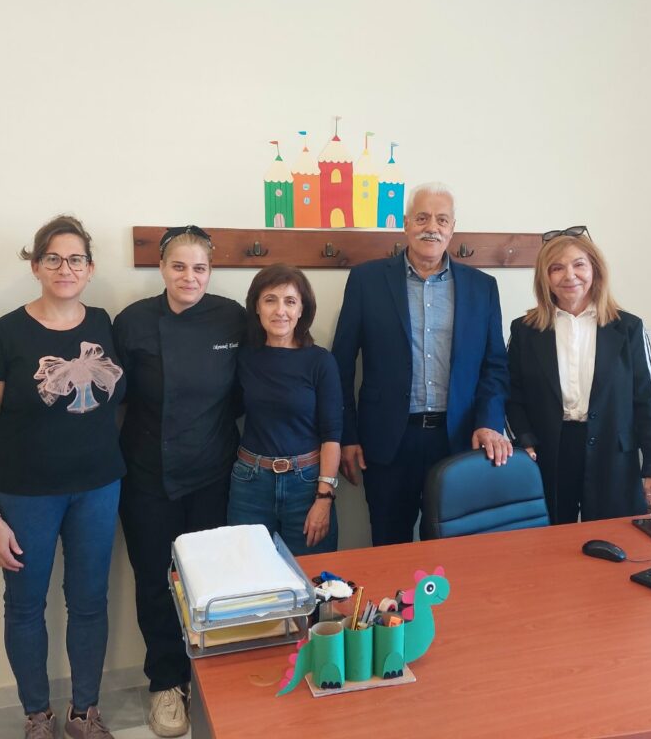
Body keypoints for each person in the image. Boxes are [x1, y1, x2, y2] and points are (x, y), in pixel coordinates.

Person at [0, 215, 125, 739]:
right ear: (35, 266)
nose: (65, 268)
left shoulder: (103, 324)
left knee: (89, 603)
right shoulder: (1, 335)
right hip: (25, 496)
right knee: (25, 605)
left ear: (90, 268)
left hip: (98, 489)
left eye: (76, 259)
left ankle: (84, 713)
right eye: (53, 258)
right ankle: (38, 715)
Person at [112, 225, 244, 738]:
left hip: (213, 472)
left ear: (211, 272)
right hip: (146, 476)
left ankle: (208, 677)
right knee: (153, 581)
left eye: (200, 268)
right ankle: (166, 683)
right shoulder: (133, 322)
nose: (190, 277)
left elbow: (246, 390)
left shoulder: (231, 317)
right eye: (179, 266)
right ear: (162, 268)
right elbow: (115, 400)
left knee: (210, 581)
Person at [331, 182, 512, 546]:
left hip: (457, 439)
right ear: (406, 224)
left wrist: (490, 422)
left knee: (451, 546)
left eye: (442, 219)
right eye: (423, 217)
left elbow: (494, 366)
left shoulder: (482, 287)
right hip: (387, 442)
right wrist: (346, 436)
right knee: (388, 544)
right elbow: (342, 365)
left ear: (452, 228)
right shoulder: (367, 280)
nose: (432, 227)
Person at [505, 226, 651, 523]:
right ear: (545, 278)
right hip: (549, 452)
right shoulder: (525, 330)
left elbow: (648, 403)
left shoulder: (628, 329)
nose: (569, 275)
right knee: (547, 540)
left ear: (595, 271)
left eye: (579, 265)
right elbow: (511, 392)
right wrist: (522, 438)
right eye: (556, 268)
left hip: (612, 454)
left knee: (614, 540)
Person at [227, 264, 342, 555]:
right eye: (270, 300)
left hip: (307, 485)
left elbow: (332, 435)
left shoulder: (320, 361)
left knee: (309, 578)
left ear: (302, 309)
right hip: (250, 484)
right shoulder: (244, 357)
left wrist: (324, 497)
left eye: (290, 301)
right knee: (249, 576)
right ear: (256, 307)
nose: (280, 311)